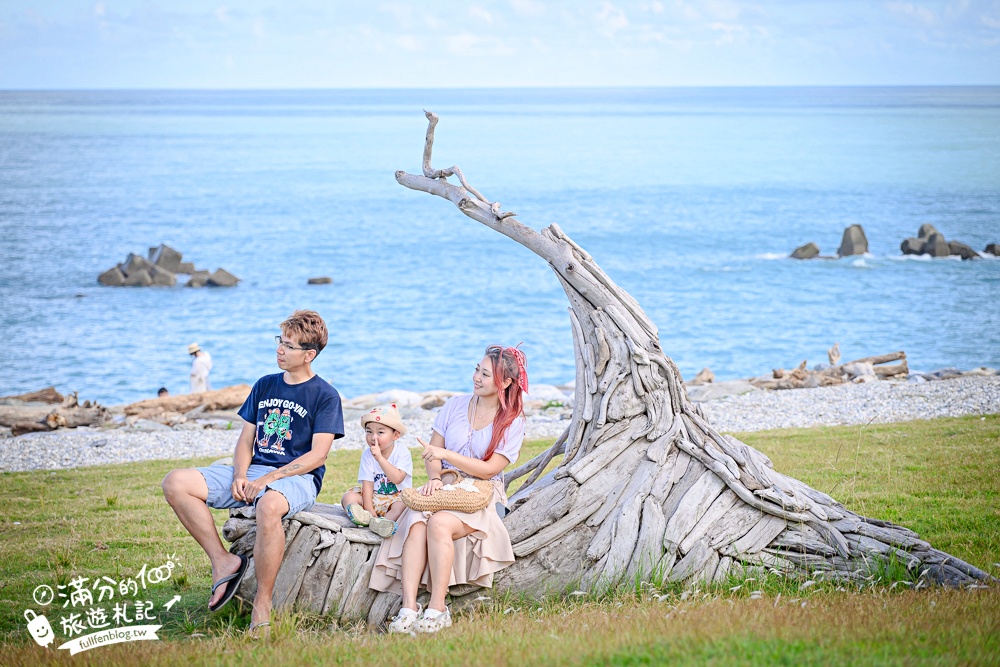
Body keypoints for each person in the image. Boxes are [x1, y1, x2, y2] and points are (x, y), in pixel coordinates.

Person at [162, 310, 344, 638]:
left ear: (309, 354)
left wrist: (267, 481)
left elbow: (318, 455)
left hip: (298, 478)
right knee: (176, 482)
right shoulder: (264, 385)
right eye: (280, 342)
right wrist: (240, 475)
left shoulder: (325, 395)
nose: (279, 350)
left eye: (288, 345)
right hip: (255, 469)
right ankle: (223, 562)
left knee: (269, 506)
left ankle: (263, 603)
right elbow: (245, 439)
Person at [371, 345, 528, 635]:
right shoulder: (454, 405)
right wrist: (434, 478)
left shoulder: (512, 421)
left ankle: (437, 608)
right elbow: (433, 453)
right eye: (476, 370)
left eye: (485, 374)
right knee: (418, 522)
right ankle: (408, 608)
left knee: (440, 522)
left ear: (505, 382)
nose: (476, 378)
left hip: (483, 493)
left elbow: (490, 469)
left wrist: (447, 458)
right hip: (446, 485)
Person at [341, 404, 413, 539]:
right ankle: (364, 517)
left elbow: (397, 478)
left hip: (396, 498)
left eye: (380, 432)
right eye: (369, 431)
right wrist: (369, 509)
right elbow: (367, 484)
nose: (373, 437)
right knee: (348, 497)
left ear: (395, 435)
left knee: (403, 505)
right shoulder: (367, 455)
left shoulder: (402, 452)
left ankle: (382, 523)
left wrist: (379, 458)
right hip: (374, 497)